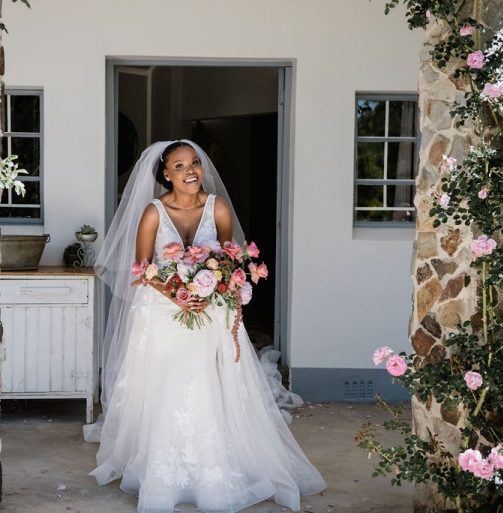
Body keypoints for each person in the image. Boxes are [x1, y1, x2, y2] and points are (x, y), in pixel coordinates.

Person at [88, 140, 326, 513]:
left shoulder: (218, 208)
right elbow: (142, 270)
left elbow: (230, 261)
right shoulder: (153, 213)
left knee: (210, 381)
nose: (190, 171)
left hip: (211, 312)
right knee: (168, 384)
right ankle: (166, 468)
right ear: (166, 174)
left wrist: (214, 287)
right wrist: (179, 295)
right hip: (163, 311)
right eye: (180, 165)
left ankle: (215, 464)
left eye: (195, 163)